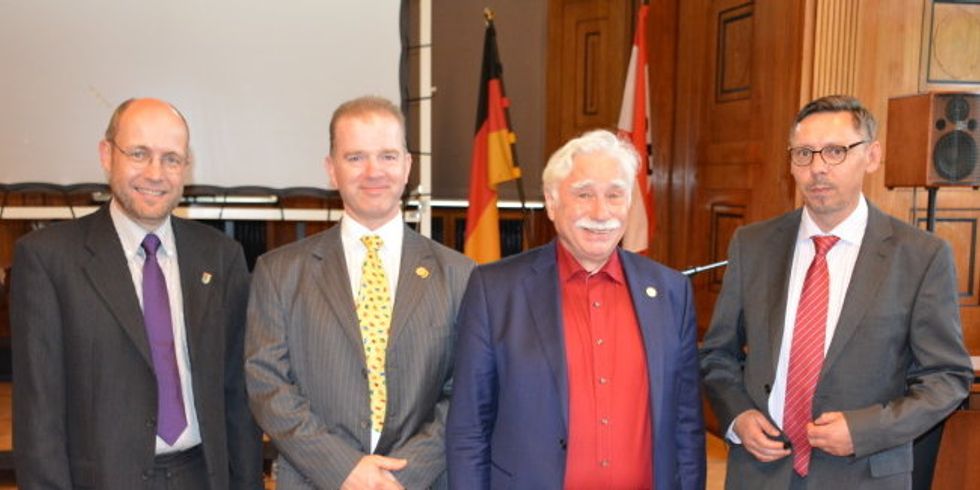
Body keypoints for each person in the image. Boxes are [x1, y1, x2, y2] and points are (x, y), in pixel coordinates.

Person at [700, 94, 973, 489]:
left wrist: (865, 430)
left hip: (863, 474)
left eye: (835, 152)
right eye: (804, 154)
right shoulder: (753, 244)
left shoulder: (921, 256)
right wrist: (737, 415)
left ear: (872, 156)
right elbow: (717, 355)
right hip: (759, 472)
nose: (817, 169)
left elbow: (947, 377)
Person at [11, 98, 264, 489]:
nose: (155, 173)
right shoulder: (48, 260)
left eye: (171, 159)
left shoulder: (220, 256)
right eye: (139, 153)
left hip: (202, 476)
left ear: (186, 168)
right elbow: (38, 415)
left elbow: (237, 395)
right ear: (106, 155)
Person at [446, 129, 705, 489]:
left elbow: (686, 425)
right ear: (552, 203)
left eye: (615, 195)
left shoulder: (670, 292)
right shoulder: (495, 291)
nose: (601, 212)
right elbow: (468, 428)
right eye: (584, 194)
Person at [245, 96, 475, 490]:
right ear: (331, 169)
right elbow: (267, 384)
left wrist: (404, 473)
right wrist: (343, 468)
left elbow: (467, 391)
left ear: (407, 166)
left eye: (387, 156)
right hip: (314, 480)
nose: (374, 172)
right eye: (355, 158)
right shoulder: (278, 272)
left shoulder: (459, 274)